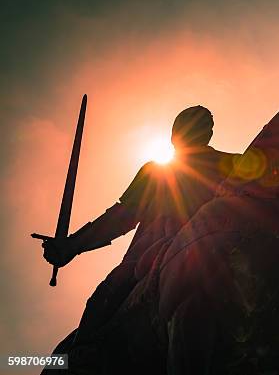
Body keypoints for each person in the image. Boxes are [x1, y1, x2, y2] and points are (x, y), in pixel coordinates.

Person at [42, 105, 239, 344]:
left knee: (102, 303)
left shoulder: (230, 165)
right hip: (154, 257)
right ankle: (82, 358)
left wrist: (71, 246)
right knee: (102, 302)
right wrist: (72, 245)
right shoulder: (161, 172)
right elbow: (122, 216)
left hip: (187, 253)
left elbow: (122, 216)